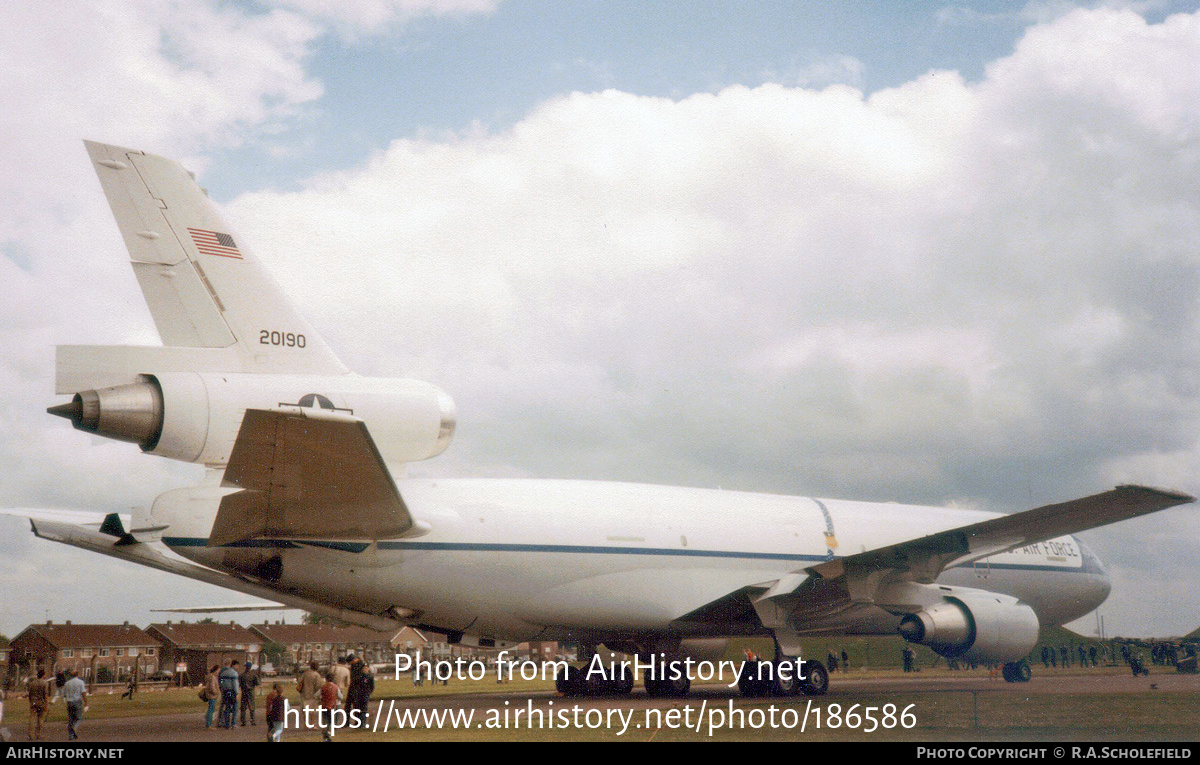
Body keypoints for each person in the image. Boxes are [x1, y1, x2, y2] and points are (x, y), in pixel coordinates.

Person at [346, 655, 373, 726]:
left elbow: (369, 681)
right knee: (357, 707)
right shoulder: (356, 666)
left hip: (362, 690)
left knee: (362, 707)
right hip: (357, 689)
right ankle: (358, 722)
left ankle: (362, 723)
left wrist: (369, 691)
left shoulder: (362, 666)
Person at [61, 669, 87, 741]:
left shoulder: (67, 683)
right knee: (78, 718)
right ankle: (74, 728)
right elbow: (83, 693)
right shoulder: (80, 682)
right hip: (77, 701)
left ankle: (71, 736)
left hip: (69, 702)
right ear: (77, 674)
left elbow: (64, 694)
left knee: (71, 719)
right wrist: (86, 703)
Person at [26, 669, 51, 740]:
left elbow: (30, 694)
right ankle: (38, 734)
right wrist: (46, 704)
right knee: (40, 718)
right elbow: (45, 695)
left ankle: (30, 734)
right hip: (41, 702)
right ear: (43, 675)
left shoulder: (32, 683)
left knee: (32, 718)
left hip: (33, 702)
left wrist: (30, 701)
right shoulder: (45, 683)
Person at [297, 661, 323, 728]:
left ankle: (305, 724)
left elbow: (300, 682)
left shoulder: (305, 673)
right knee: (313, 711)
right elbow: (318, 686)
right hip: (313, 695)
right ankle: (312, 724)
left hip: (304, 694)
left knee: (305, 711)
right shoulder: (317, 675)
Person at [218, 660, 240, 729]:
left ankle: (227, 724)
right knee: (235, 707)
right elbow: (235, 684)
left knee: (227, 707)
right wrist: (237, 693)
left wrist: (222, 689)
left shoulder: (223, 673)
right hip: (232, 691)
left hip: (225, 691)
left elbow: (221, 682)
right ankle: (233, 723)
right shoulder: (234, 673)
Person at [320, 671, 341, 741]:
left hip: (324, 706)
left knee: (325, 721)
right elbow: (341, 697)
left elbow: (316, 695)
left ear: (326, 679)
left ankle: (325, 734)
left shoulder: (323, 687)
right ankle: (329, 733)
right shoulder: (336, 687)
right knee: (331, 721)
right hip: (332, 706)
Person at [239, 662, 260, 726]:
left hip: (244, 692)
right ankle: (252, 720)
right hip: (251, 692)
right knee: (252, 707)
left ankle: (243, 721)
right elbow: (257, 683)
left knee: (243, 707)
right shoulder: (253, 675)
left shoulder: (241, 675)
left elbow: (239, 684)